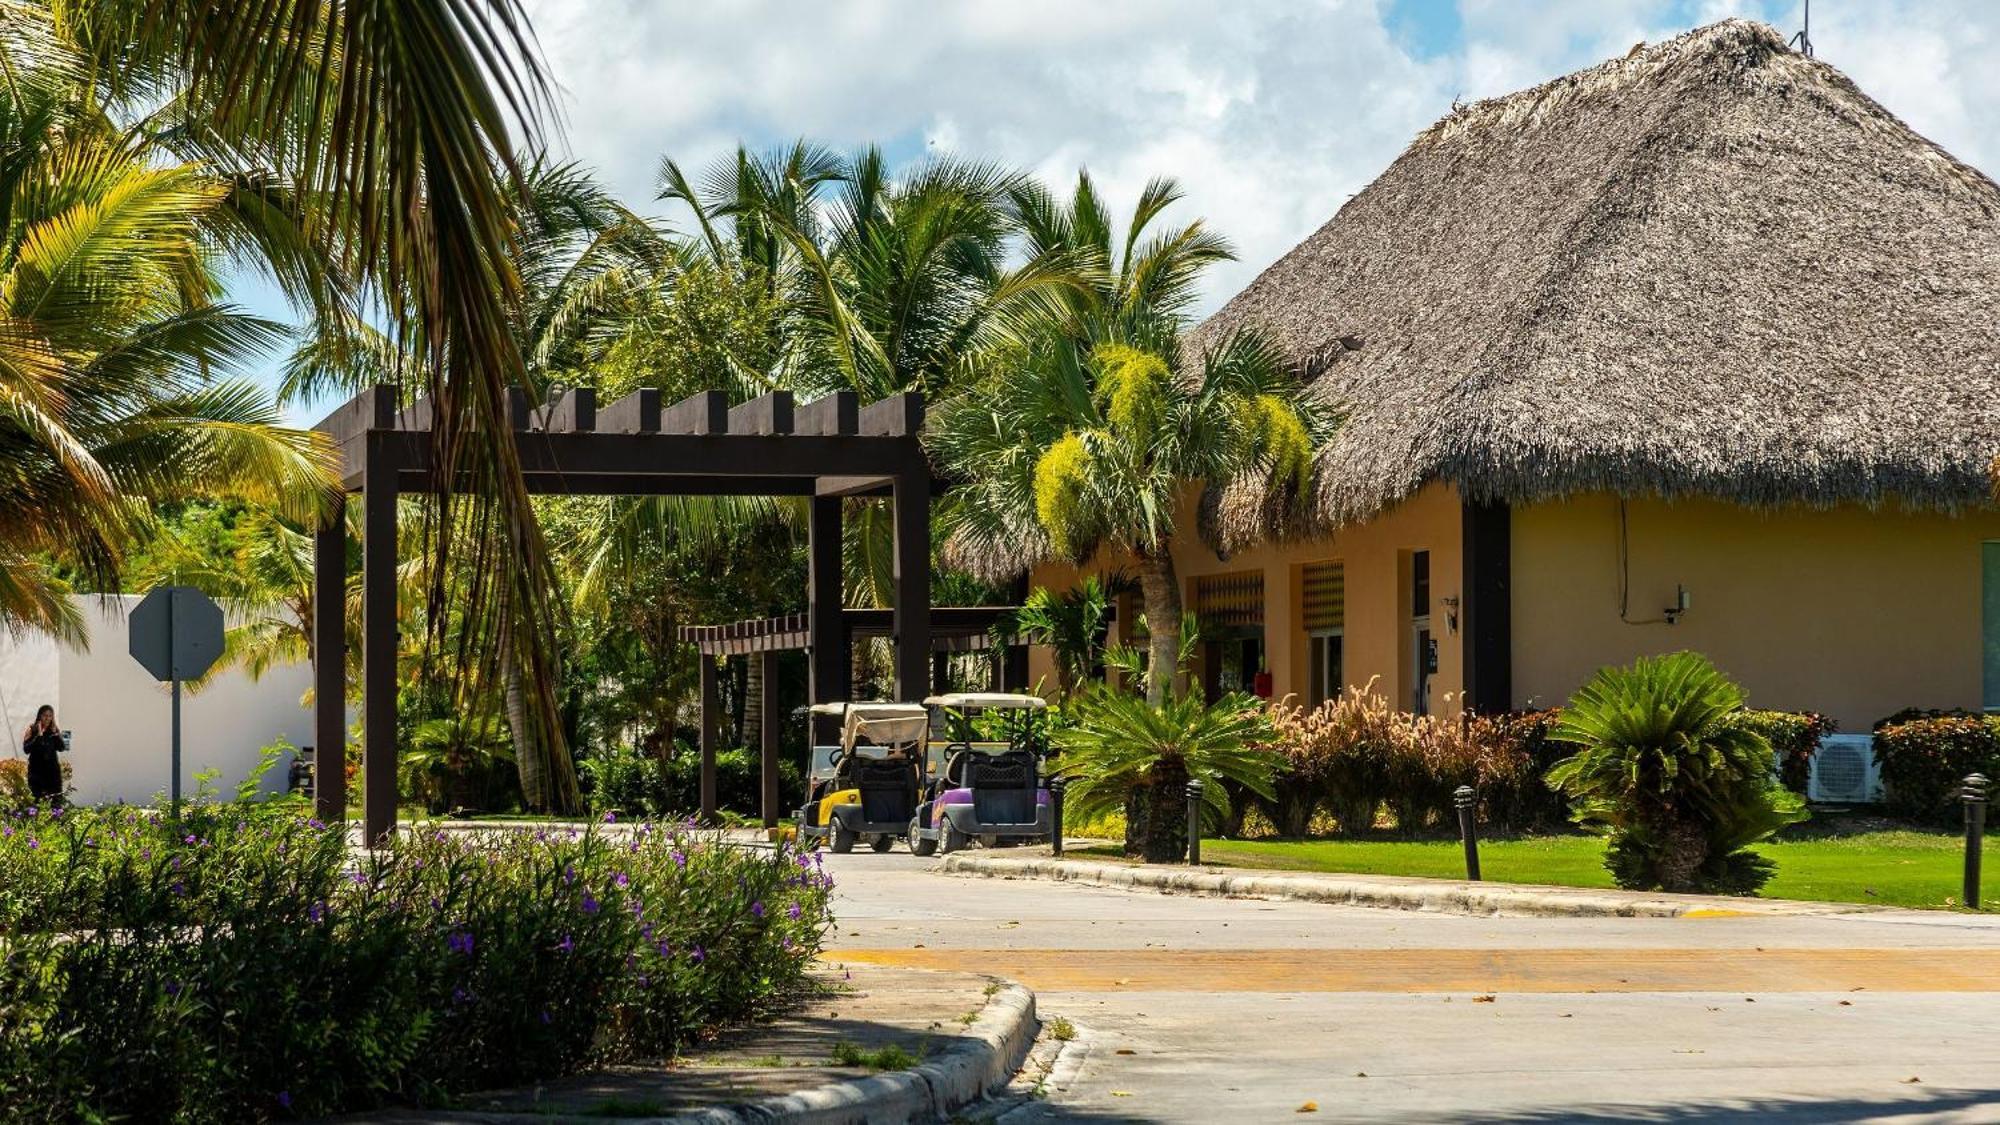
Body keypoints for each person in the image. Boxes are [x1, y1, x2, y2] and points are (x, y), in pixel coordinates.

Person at [21, 704, 65, 805]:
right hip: (37, 772)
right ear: (40, 716)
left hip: (52, 773)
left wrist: (56, 734)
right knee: (38, 800)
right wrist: (39, 736)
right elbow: (26, 749)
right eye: (45, 715)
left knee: (55, 801)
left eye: (50, 716)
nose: (47, 718)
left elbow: (61, 748)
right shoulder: (32, 729)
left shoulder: (54, 730)